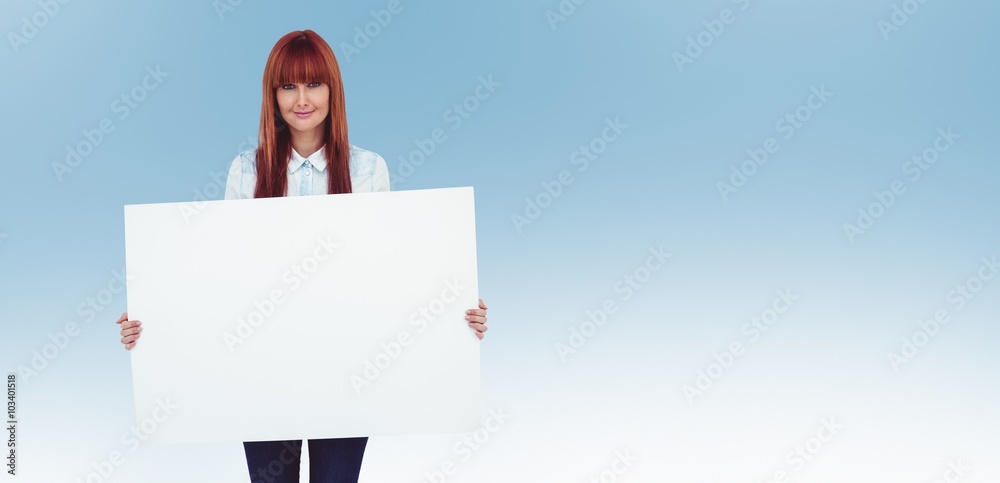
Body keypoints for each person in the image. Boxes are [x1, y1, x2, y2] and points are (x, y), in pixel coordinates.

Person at [115, 29, 489, 483]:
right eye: (288, 86)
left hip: (350, 369)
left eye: (313, 83)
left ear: (333, 88)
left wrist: (458, 314)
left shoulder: (369, 170)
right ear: (273, 96)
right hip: (264, 374)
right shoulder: (246, 171)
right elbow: (220, 276)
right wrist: (155, 323)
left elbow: (393, 273)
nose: (302, 98)